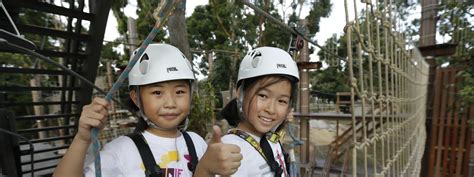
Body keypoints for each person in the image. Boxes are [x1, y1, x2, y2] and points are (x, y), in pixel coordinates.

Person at [53, 43, 242, 177]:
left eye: (180, 91)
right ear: (136, 98)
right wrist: (82, 139)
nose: (170, 103)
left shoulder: (196, 143)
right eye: (157, 92)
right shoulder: (121, 151)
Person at [219, 46, 299, 177]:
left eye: (282, 101)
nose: (271, 109)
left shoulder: (271, 138)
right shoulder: (231, 150)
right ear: (240, 93)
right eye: (263, 96)